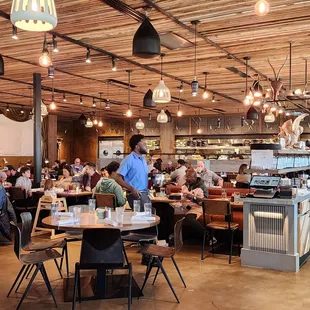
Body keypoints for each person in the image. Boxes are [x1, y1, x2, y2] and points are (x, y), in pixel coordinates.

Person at [115, 134, 149, 209]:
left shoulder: (143, 159)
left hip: (145, 193)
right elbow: (117, 178)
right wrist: (131, 188)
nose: (146, 146)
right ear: (137, 146)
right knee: (143, 218)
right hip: (135, 194)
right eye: (144, 144)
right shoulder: (129, 159)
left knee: (150, 216)